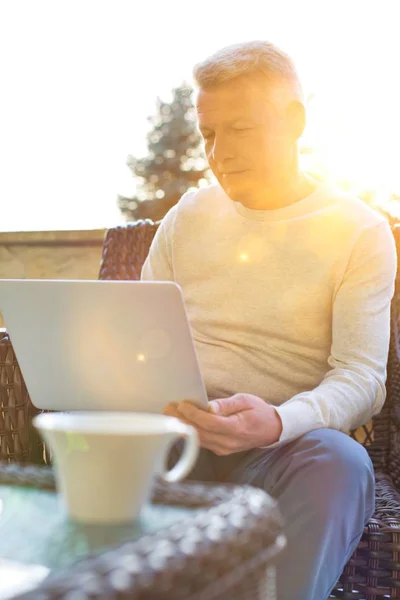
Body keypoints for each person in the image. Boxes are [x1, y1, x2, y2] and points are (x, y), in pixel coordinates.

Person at [141, 40, 397, 600]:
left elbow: (362, 378)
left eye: (241, 129)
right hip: (172, 437)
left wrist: (278, 421)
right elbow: (138, 329)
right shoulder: (187, 216)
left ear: (295, 121)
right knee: (90, 440)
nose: (219, 152)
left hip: (282, 449)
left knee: (341, 464)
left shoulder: (358, 231)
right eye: (209, 133)